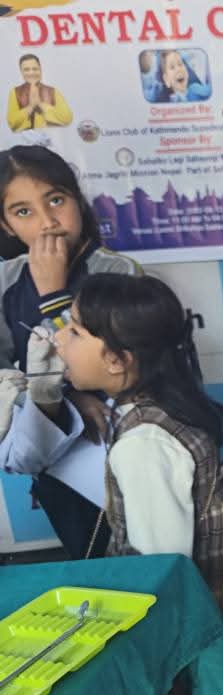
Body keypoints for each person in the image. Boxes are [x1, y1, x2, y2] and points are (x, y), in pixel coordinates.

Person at [20, 273, 223, 628]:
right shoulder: (167, 407)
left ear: (117, 360)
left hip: (203, 614)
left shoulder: (143, 444)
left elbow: (160, 569)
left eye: (74, 331)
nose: (58, 340)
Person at [0, 144, 140, 558]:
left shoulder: (116, 272)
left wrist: (53, 296)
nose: (47, 224)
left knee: (143, 554)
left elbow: (123, 369)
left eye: (56, 201)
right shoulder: (6, 281)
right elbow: (6, 375)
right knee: (89, 557)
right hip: (55, 455)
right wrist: (70, 396)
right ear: (6, 226)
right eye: (23, 212)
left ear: (77, 199)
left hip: (122, 446)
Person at [6, 53, 72, 132]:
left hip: (49, 139)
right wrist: (30, 107)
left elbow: (67, 118)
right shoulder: (15, 92)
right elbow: (12, 123)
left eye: (35, 69)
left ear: (40, 69)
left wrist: (41, 105)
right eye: (27, 70)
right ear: (21, 72)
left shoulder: (52, 91)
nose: (31, 73)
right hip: (24, 141)